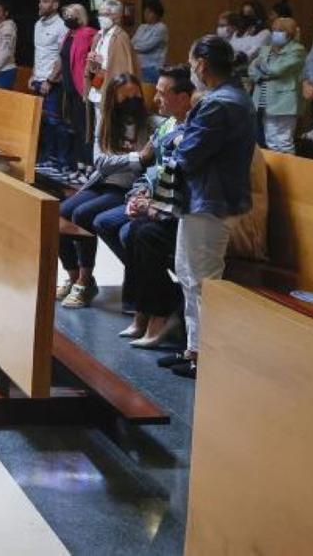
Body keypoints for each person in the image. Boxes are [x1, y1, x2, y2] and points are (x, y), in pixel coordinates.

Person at [159, 36, 256, 379]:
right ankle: (194, 349)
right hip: (204, 197)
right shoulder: (230, 97)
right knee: (188, 273)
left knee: (203, 281)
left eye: (191, 64)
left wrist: (175, 142)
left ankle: (206, 356)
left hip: (211, 200)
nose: (192, 70)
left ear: (201, 64)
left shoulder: (219, 103)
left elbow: (187, 153)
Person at [91, 65, 195, 343]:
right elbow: (150, 172)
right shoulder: (167, 125)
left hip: (177, 212)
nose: (155, 99)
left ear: (183, 97)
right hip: (155, 202)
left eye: (161, 93)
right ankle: (146, 310)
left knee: (134, 233)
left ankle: (157, 310)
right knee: (115, 225)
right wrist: (137, 196)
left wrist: (150, 203)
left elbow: (180, 180)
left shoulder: (191, 131)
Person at [57, 74, 150, 309]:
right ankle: (74, 276)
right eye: (125, 97)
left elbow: (145, 163)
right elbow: (100, 162)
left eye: (136, 95)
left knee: (83, 214)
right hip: (102, 182)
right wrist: (136, 158)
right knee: (59, 214)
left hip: (127, 188)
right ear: (114, 99)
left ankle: (85, 280)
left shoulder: (147, 124)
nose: (132, 101)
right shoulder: (106, 121)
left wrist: (127, 161)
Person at [86, 0, 138, 158]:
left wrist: (102, 64)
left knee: (109, 133)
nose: (101, 17)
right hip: (98, 89)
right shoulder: (99, 35)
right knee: (98, 132)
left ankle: (107, 165)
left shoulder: (120, 37)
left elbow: (123, 70)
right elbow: (95, 68)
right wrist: (94, 63)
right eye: (100, 13)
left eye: (106, 14)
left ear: (117, 16)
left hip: (111, 92)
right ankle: (99, 164)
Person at [248, 16, 306, 154]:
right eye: (274, 30)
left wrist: (260, 67)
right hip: (264, 100)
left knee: (284, 141)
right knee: (270, 140)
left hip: (284, 102)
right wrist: (260, 72)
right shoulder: (265, 49)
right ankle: (276, 167)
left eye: (280, 31)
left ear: (289, 34)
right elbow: (251, 70)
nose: (275, 33)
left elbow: (277, 69)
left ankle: (289, 167)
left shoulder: (297, 50)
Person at [30, 0, 69, 173]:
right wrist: (33, 74)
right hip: (38, 79)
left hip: (52, 81)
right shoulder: (38, 24)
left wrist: (50, 80)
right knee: (43, 122)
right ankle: (46, 158)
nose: (41, 4)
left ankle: (60, 162)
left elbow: (61, 57)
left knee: (55, 122)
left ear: (55, 5)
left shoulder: (62, 26)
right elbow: (38, 52)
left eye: (45, 1)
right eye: (40, 1)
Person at [59, 3, 98, 177]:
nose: (67, 18)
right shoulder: (68, 34)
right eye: (66, 15)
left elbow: (93, 61)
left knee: (85, 128)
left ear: (80, 16)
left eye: (71, 15)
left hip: (82, 87)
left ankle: (89, 165)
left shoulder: (88, 33)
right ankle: (79, 164)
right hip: (68, 87)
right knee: (75, 127)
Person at [132, 1, 169, 83]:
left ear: (157, 14)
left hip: (152, 67)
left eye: (149, 12)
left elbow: (146, 47)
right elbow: (132, 42)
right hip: (138, 65)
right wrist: (135, 46)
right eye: (145, 12)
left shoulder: (161, 28)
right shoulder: (142, 27)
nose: (146, 14)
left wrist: (134, 47)